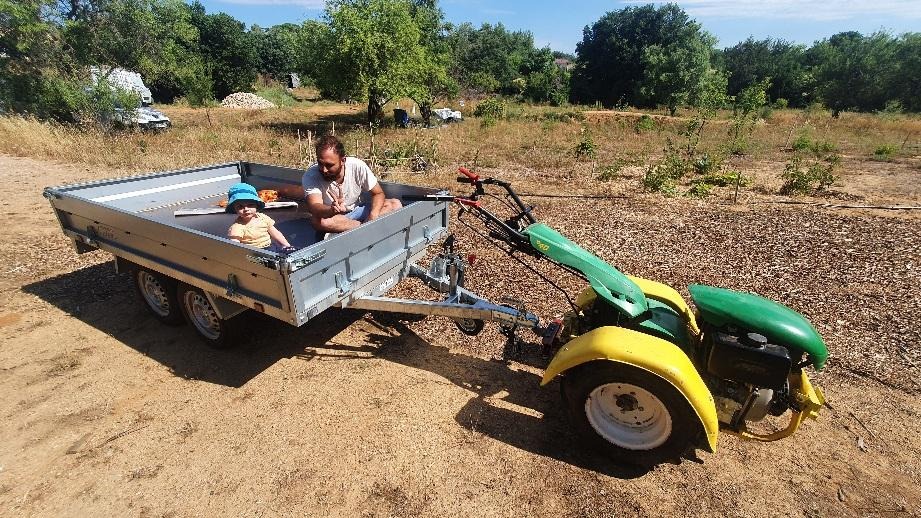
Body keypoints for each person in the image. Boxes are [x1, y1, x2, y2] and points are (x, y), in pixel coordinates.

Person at [302, 135, 402, 234]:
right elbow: (314, 206)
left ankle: (359, 226)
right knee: (318, 222)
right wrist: (331, 210)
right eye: (320, 163)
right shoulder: (311, 175)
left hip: (356, 210)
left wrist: (373, 215)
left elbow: (378, 193)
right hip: (333, 217)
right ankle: (364, 227)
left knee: (395, 204)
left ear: (343, 160)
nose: (324, 170)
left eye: (329, 165)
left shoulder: (357, 166)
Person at [225, 182, 296, 254]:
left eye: (250, 205)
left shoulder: (262, 217)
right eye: (240, 207)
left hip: (270, 246)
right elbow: (235, 246)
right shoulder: (237, 227)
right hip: (255, 253)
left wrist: (287, 245)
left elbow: (275, 233)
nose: (246, 209)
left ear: (256, 205)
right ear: (235, 209)